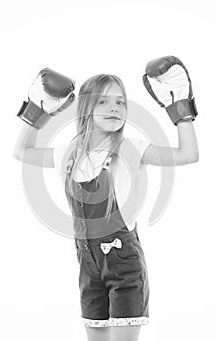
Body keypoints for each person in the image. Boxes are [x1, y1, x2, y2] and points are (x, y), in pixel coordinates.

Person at [13, 57, 199, 341]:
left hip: (124, 266)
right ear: (86, 108)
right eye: (102, 101)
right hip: (87, 267)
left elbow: (188, 154)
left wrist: (181, 106)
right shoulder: (68, 153)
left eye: (120, 101)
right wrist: (37, 110)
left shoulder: (131, 149)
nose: (114, 107)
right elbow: (22, 151)